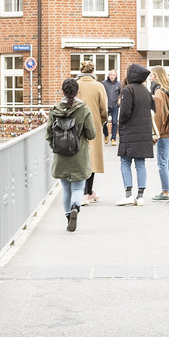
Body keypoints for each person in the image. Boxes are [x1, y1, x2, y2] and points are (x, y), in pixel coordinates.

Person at [45, 77, 96, 231]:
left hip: (61, 156)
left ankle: (68, 216)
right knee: (78, 188)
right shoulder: (84, 110)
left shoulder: (55, 109)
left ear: (63, 91)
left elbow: (49, 134)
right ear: (77, 91)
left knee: (66, 188)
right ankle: (75, 207)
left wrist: (57, 147)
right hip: (79, 155)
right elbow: (92, 134)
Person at [113, 63, 154, 205]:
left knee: (125, 162)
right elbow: (153, 108)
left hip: (130, 131)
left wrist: (120, 123)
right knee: (140, 163)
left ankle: (128, 194)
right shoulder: (145, 91)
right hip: (144, 132)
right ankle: (141, 196)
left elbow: (125, 112)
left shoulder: (127, 90)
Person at [74, 61, 109, 204]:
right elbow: (104, 110)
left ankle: (82, 193)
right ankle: (87, 192)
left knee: (79, 158)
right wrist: (100, 122)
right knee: (92, 159)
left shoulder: (75, 84)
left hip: (75, 126)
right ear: (93, 72)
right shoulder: (99, 86)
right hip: (93, 126)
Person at [149, 67, 169, 200]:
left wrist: (156, 134)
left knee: (162, 162)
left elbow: (159, 116)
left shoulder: (159, 93)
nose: (150, 76)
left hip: (166, 133)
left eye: (151, 74)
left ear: (156, 76)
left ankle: (165, 193)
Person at [103, 69, 121, 145]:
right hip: (106, 105)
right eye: (111, 75)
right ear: (108, 75)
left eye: (113, 75)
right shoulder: (104, 83)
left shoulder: (119, 84)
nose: (112, 77)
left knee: (114, 122)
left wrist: (119, 100)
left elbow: (121, 93)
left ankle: (113, 138)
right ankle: (106, 135)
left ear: (116, 76)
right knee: (104, 122)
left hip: (114, 106)